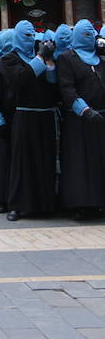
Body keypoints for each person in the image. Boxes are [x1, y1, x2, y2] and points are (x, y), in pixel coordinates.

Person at [0, 21, 57, 222]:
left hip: (44, 115)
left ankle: (44, 204)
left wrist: (51, 62)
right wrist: (40, 58)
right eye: (26, 36)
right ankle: (17, 205)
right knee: (22, 163)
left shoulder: (39, 56)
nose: (30, 39)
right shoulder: (10, 59)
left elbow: (52, 85)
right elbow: (21, 79)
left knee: (44, 162)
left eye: (32, 35)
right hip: (24, 116)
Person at [57, 20, 105, 219]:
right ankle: (80, 204)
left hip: (101, 119)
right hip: (80, 121)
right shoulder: (68, 58)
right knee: (80, 163)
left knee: (99, 162)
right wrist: (84, 110)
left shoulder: (100, 58)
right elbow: (66, 88)